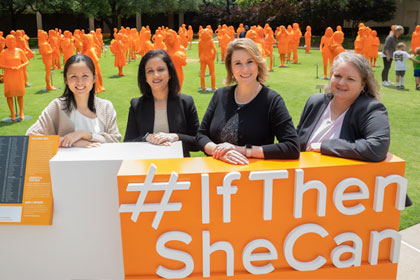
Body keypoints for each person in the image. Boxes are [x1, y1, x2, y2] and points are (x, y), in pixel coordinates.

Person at [196, 38, 300, 165]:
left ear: (258, 63)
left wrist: (242, 150)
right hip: (216, 178)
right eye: (238, 63)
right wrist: (220, 151)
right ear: (231, 67)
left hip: (253, 178)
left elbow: (292, 147)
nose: (244, 69)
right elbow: (201, 135)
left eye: (250, 62)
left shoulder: (272, 100)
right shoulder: (220, 95)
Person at [297, 52, 389, 162]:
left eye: (350, 79)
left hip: (340, 178)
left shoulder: (372, 109)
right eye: (337, 76)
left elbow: (377, 147)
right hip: (302, 176)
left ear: (363, 84)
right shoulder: (315, 102)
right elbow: (295, 141)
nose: (341, 83)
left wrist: (324, 146)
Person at [26, 54, 121, 147]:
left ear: (94, 78)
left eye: (85, 76)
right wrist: (70, 141)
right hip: (66, 162)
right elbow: (30, 137)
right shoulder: (58, 106)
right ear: (66, 80)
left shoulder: (106, 106)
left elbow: (115, 140)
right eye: (73, 76)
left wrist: (85, 135)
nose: (80, 82)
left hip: (102, 162)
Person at [124, 49, 199, 157]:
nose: (156, 75)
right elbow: (128, 143)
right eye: (150, 71)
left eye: (161, 69)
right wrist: (146, 138)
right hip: (147, 167)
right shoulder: (137, 105)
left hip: (179, 167)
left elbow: (197, 141)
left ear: (169, 73)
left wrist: (175, 137)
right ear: (145, 77)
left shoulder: (186, 102)